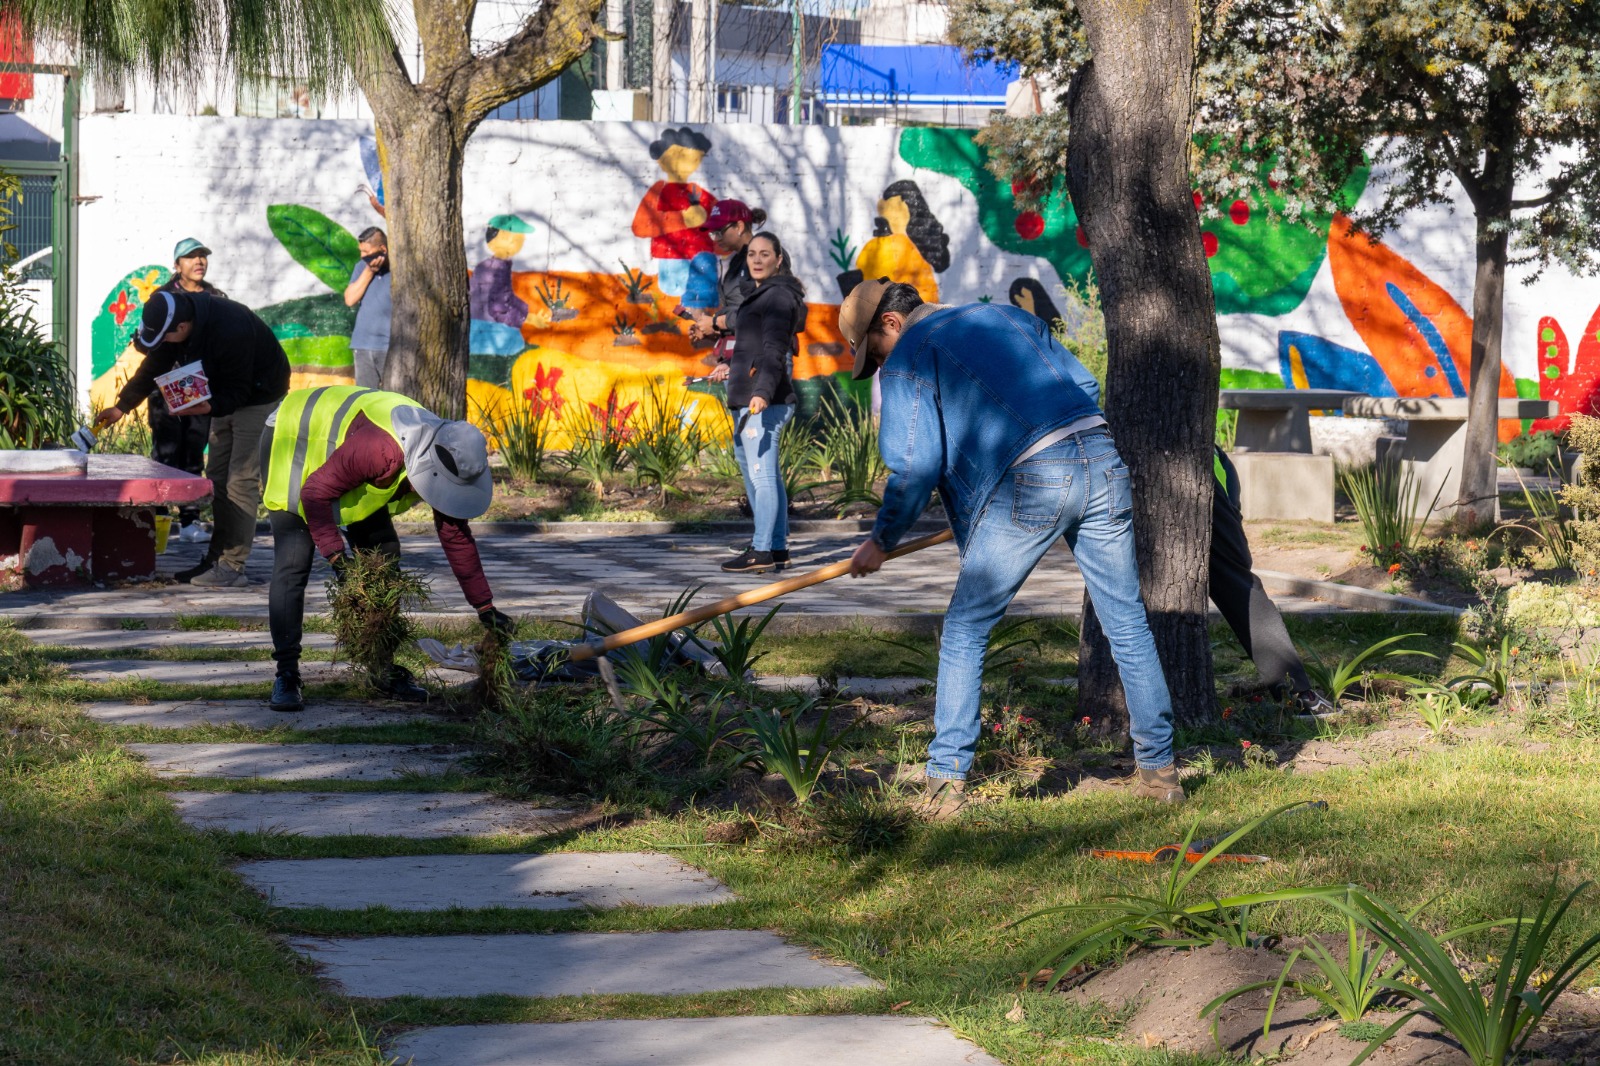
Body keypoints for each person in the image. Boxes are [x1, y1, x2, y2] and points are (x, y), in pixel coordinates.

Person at [841, 279, 1183, 814]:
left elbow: (915, 463)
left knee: (965, 628)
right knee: (1126, 621)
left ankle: (945, 779)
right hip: (1101, 457)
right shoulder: (1007, 317)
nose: (882, 366)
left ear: (889, 324)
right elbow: (1084, 384)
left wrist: (882, 539)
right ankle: (1161, 772)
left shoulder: (911, 351)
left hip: (1034, 479)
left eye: (875, 355)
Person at [259, 386, 515, 712]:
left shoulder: (451, 453)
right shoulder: (383, 450)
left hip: (345, 456)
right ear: (429, 468)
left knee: (383, 552)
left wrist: (485, 608)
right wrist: (339, 560)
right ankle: (287, 674)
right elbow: (314, 493)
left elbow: (456, 537)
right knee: (294, 559)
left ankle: (381, 668)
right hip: (296, 435)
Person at [97, 291, 290, 589]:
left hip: (259, 395)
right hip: (226, 391)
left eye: (166, 338)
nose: (163, 346)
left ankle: (232, 566)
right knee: (216, 477)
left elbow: (238, 392)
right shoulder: (178, 320)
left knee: (240, 479)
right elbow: (153, 367)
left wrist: (209, 407)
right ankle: (215, 559)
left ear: (183, 328)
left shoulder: (230, 328)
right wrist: (122, 406)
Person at [1210, 447, 1336, 714]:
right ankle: (1300, 695)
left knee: (1238, 583)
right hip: (1204, 479)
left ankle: (1298, 693)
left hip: (1205, 476)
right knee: (1239, 584)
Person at [721, 233, 806, 575]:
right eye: (752, 254)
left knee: (763, 476)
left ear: (778, 259)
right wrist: (729, 369)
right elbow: (752, 347)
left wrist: (762, 392)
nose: (757, 260)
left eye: (765, 254)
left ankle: (761, 551)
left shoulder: (778, 297)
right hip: (749, 396)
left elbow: (774, 351)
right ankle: (777, 547)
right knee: (763, 474)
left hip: (762, 400)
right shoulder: (761, 295)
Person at [151, 237, 227, 544]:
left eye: (203, 257)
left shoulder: (216, 297)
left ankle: (190, 519)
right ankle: (157, 517)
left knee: (194, 453)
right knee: (164, 454)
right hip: (166, 383)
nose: (199, 262)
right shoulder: (163, 297)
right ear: (177, 264)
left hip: (200, 385)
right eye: (191, 257)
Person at [631, 128, 720, 310]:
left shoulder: (699, 193)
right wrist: (682, 219)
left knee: (701, 303)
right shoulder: (658, 191)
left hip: (701, 260)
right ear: (663, 160)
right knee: (674, 292)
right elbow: (640, 226)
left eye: (695, 158)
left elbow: (721, 221)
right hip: (672, 259)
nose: (688, 163)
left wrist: (720, 242)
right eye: (680, 156)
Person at [344, 227, 392, 388]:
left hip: (390, 348)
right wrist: (369, 271)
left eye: (366, 252)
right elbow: (350, 299)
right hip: (363, 346)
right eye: (361, 251)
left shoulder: (400, 270)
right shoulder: (362, 267)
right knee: (365, 400)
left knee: (393, 401)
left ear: (382, 249)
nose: (362, 256)